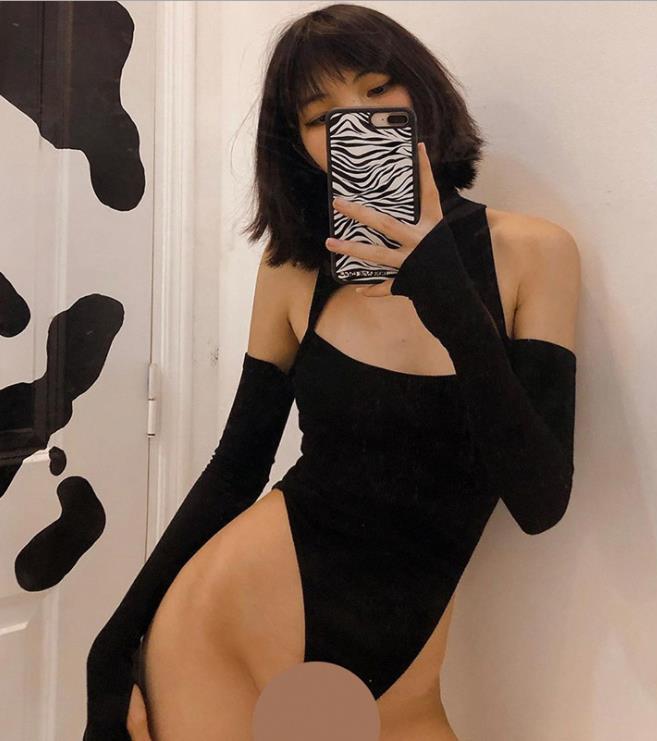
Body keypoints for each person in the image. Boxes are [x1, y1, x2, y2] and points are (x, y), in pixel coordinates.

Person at [84, 4, 580, 740]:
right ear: (301, 145)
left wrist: (449, 296)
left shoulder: (534, 254)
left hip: (403, 674)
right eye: (322, 116)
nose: (359, 119)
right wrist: (109, 649)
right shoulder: (293, 269)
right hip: (225, 632)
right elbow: (236, 466)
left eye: (378, 90)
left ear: (422, 94)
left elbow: (540, 501)